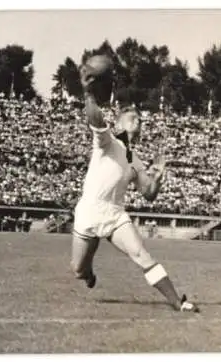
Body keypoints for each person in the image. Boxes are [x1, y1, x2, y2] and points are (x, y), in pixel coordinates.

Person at [70, 61, 199, 313]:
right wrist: (87, 92)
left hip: (116, 214)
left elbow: (148, 194)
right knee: (77, 270)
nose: (138, 122)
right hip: (88, 212)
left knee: (142, 255)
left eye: (140, 119)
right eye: (132, 119)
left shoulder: (134, 158)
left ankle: (177, 302)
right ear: (118, 125)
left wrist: (158, 178)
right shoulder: (107, 142)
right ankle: (89, 275)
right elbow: (95, 118)